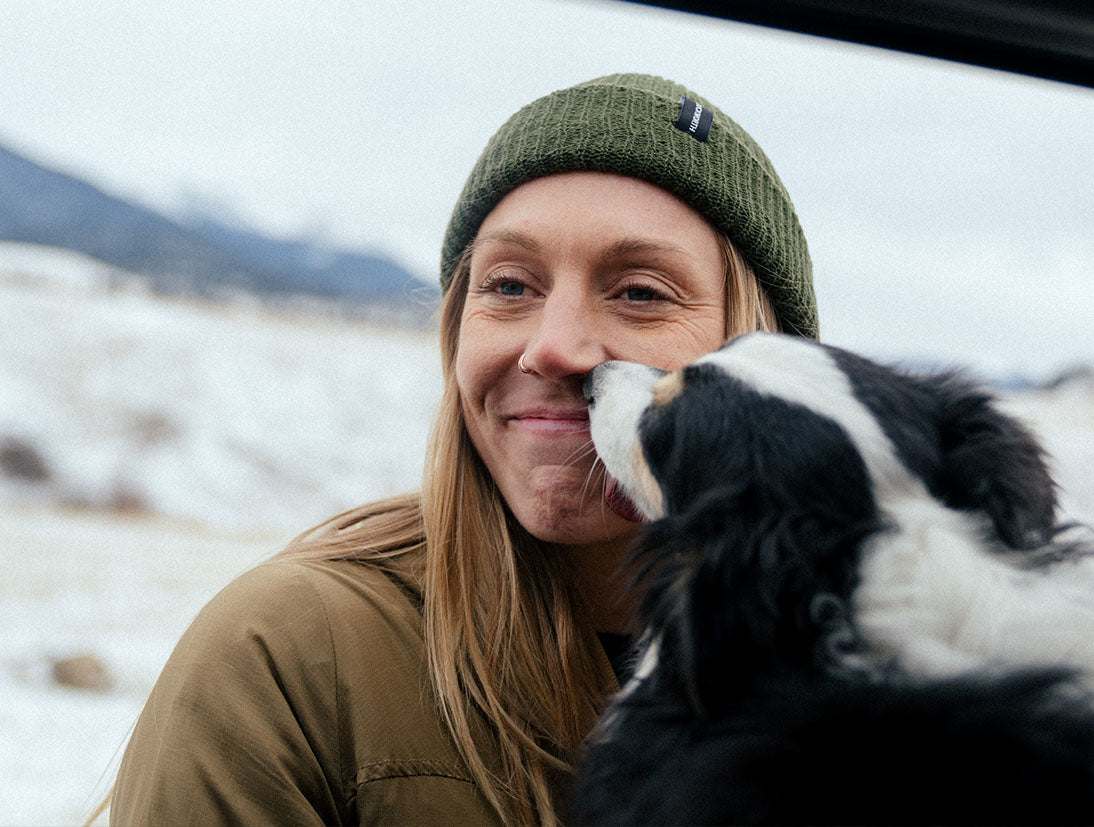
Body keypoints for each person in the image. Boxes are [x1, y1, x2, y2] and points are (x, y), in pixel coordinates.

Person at [109, 73, 819, 826]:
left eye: (640, 292)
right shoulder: (291, 660)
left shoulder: (882, 687)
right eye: (510, 285)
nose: (554, 347)